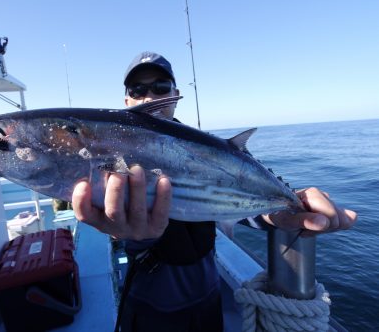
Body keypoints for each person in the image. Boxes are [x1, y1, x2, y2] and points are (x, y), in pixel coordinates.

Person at [71, 51, 357, 332]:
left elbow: (235, 203)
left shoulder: (211, 150)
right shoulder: (111, 147)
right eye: (138, 89)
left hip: (206, 288)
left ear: (175, 93)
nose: (150, 96)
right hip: (151, 292)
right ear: (126, 100)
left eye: (160, 87)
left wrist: (282, 210)